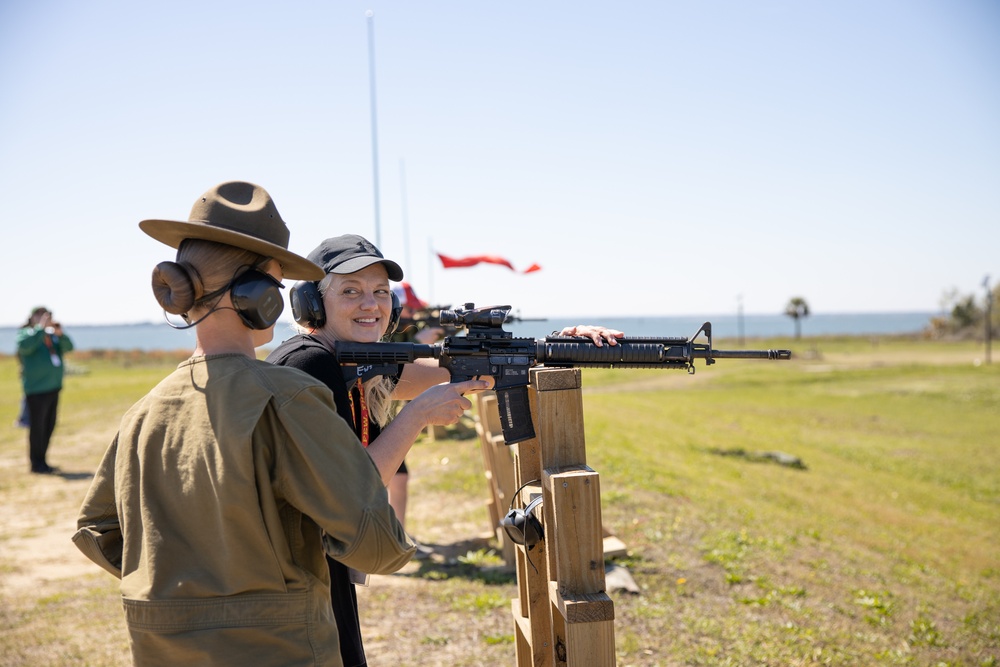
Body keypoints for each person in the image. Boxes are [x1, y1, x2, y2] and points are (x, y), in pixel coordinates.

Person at [73, 181, 452, 667]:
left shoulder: (143, 412)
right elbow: (371, 537)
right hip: (284, 648)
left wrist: (186, 596)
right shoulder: (289, 397)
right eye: (276, 283)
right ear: (257, 296)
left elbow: (98, 528)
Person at [267, 233, 623, 667]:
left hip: (313, 566)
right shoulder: (311, 363)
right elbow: (355, 491)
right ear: (312, 304)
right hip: (295, 575)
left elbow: (449, 372)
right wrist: (415, 416)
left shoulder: (346, 359)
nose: (371, 304)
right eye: (351, 291)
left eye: (381, 292)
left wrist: (558, 347)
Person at [17, 306, 73, 473]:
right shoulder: (26, 334)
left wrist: (59, 333)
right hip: (36, 390)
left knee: (49, 425)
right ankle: (36, 463)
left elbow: (69, 347)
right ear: (32, 317)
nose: (44, 319)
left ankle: (43, 460)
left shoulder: (51, 336)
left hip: (53, 388)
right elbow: (26, 346)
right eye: (40, 315)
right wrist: (40, 328)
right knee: (37, 427)